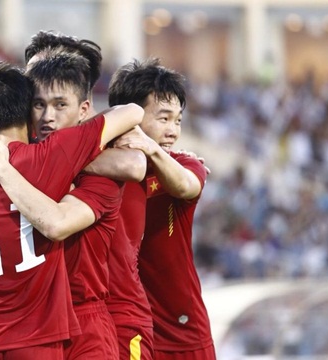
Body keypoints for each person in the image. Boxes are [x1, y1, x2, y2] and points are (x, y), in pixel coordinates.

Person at [0, 60, 143, 359]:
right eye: (39, 105)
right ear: (27, 111)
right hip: (39, 332)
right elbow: (132, 113)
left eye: (59, 105)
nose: (48, 117)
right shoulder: (53, 156)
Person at [108, 58, 217, 360]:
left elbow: (185, 186)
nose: (173, 131)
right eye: (163, 118)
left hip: (183, 328)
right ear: (128, 117)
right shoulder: (101, 167)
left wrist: (152, 148)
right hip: (123, 326)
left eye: (178, 120)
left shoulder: (184, 163)